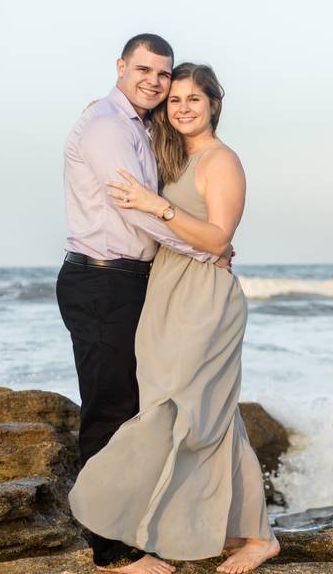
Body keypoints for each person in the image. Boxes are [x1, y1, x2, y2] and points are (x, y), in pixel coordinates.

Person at [67, 62, 281, 574]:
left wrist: (156, 207)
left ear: (213, 105)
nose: (183, 107)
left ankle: (256, 536)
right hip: (166, 293)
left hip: (204, 300)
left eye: (194, 99)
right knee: (198, 410)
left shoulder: (220, 160)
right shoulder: (170, 158)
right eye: (175, 100)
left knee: (189, 410)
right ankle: (235, 529)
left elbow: (216, 240)